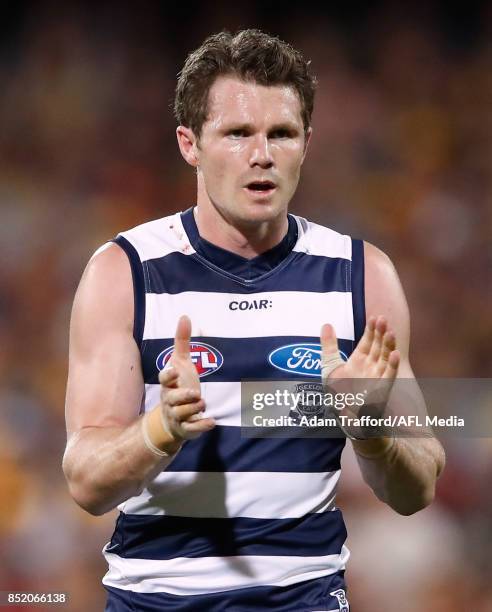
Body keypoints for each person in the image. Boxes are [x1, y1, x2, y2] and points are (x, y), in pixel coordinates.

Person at [62, 29, 445, 612]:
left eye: (281, 134)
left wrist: (369, 430)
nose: (261, 153)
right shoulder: (126, 273)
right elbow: (86, 483)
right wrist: (160, 430)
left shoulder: (362, 276)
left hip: (305, 595)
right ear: (190, 144)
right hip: (156, 598)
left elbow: (418, 487)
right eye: (237, 133)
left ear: (306, 144)